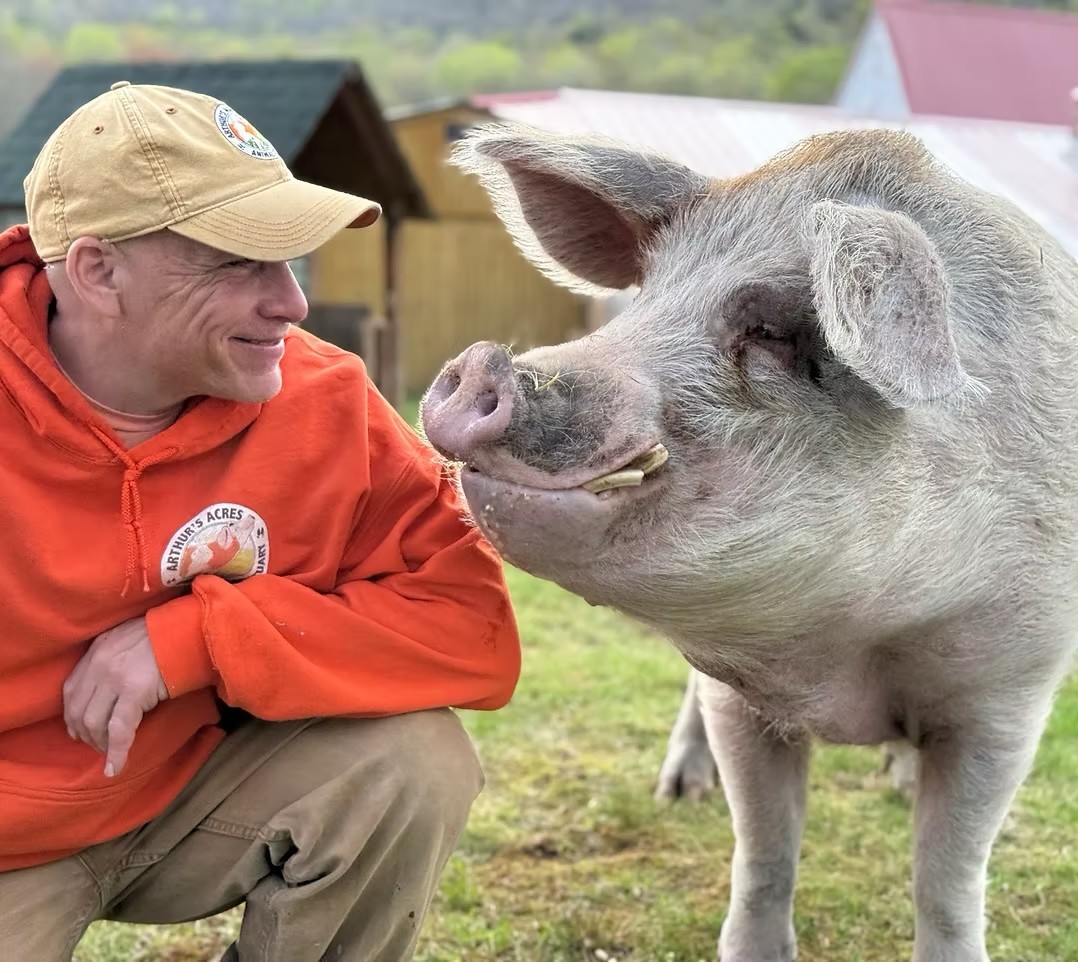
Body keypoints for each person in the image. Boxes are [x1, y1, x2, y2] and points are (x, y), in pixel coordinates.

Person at [0, 80, 522, 961]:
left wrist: (198, 639)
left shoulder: (324, 399)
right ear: (97, 272)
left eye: (290, 260)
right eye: (239, 263)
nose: (292, 302)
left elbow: (472, 626)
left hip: (193, 793)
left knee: (411, 762)